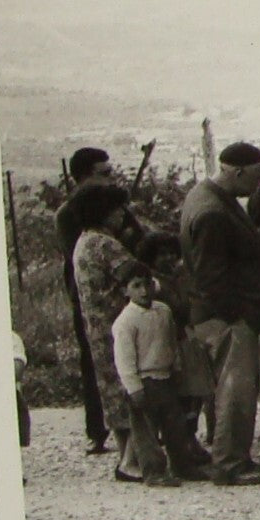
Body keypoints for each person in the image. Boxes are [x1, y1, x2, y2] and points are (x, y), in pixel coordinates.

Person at [179, 142, 260, 486]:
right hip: (228, 319)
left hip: (221, 315)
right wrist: (240, 317)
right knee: (236, 392)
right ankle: (230, 463)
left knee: (233, 389)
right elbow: (211, 278)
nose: (258, 184)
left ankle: (233, 457)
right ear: (237, 172)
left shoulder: (204, 196)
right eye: (256, 176)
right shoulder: (213, 212)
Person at [53, 147, 141, 454]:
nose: (110, 178)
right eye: (104, 173)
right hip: (91, 296)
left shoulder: (111, 204)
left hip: (119, 291)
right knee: (97, 362)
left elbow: (138, 239)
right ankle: (100, 429)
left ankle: (131, 432)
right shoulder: (70, 213)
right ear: (84, 176)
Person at [70, 183, 154, 482]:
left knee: (113, 394)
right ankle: (131, 460)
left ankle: (127, 456)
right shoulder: (106, 245)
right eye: (117, 209)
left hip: (97, 328)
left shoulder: (83, 243)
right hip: (120, 326)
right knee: (133, 389)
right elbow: (136, 274)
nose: (122, 214)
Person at [111, 261, 205, 484]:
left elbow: (171, 343)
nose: (144, 291)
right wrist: (134, 387)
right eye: (136, 286)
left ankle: (183, 466)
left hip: (166, 377)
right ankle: (154, 472)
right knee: (146, 431)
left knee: (175, 426)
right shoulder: (125, 321)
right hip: (144, 380)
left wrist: (176, 367)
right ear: (125, 290)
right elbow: (124, 359)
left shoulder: (163, 311)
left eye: (147, 284)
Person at [135, 232, 214, 461]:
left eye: (171, 253)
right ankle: (180, 445)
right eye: (162, 254)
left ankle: (190, 439)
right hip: (167, 343)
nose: (168, 258)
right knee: (178, 398)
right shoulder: (155, 284)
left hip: (184, 340)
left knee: (193, 395)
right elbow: (178, 308)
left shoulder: (177, 277)